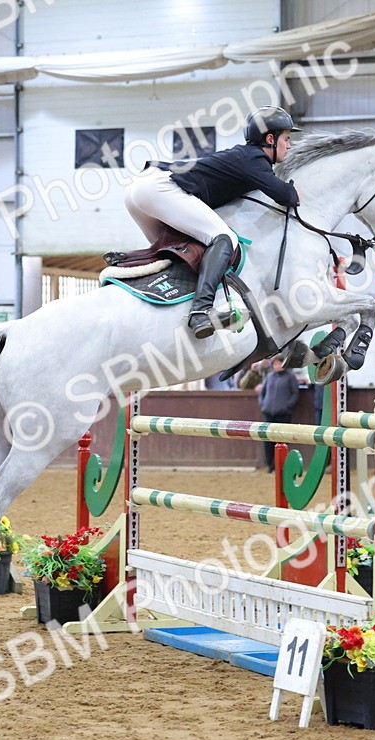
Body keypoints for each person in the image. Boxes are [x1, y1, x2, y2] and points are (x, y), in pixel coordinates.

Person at [122, 106, 302, 339]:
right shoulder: (255, 159)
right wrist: (297, 191)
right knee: (225, 238)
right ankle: (200, 312)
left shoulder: (244, 158)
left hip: (138, 191)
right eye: (287, 139)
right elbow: (287, 197)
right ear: (270, 139)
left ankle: (137, 270)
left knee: (178, 252)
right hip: (159, 188)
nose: (289, 146)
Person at [257, 356, 302, 472]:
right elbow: (262, 393)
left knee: (281, 441)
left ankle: (278, 465)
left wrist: (288, 406)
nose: (277, 366)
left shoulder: (290, 377)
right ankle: (270, 464)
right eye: (275, 364)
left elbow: (295, 394)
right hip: (268, 413)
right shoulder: (269, 377)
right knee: (267, 441)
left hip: (283, 414)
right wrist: (263, 405)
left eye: (279, 363)